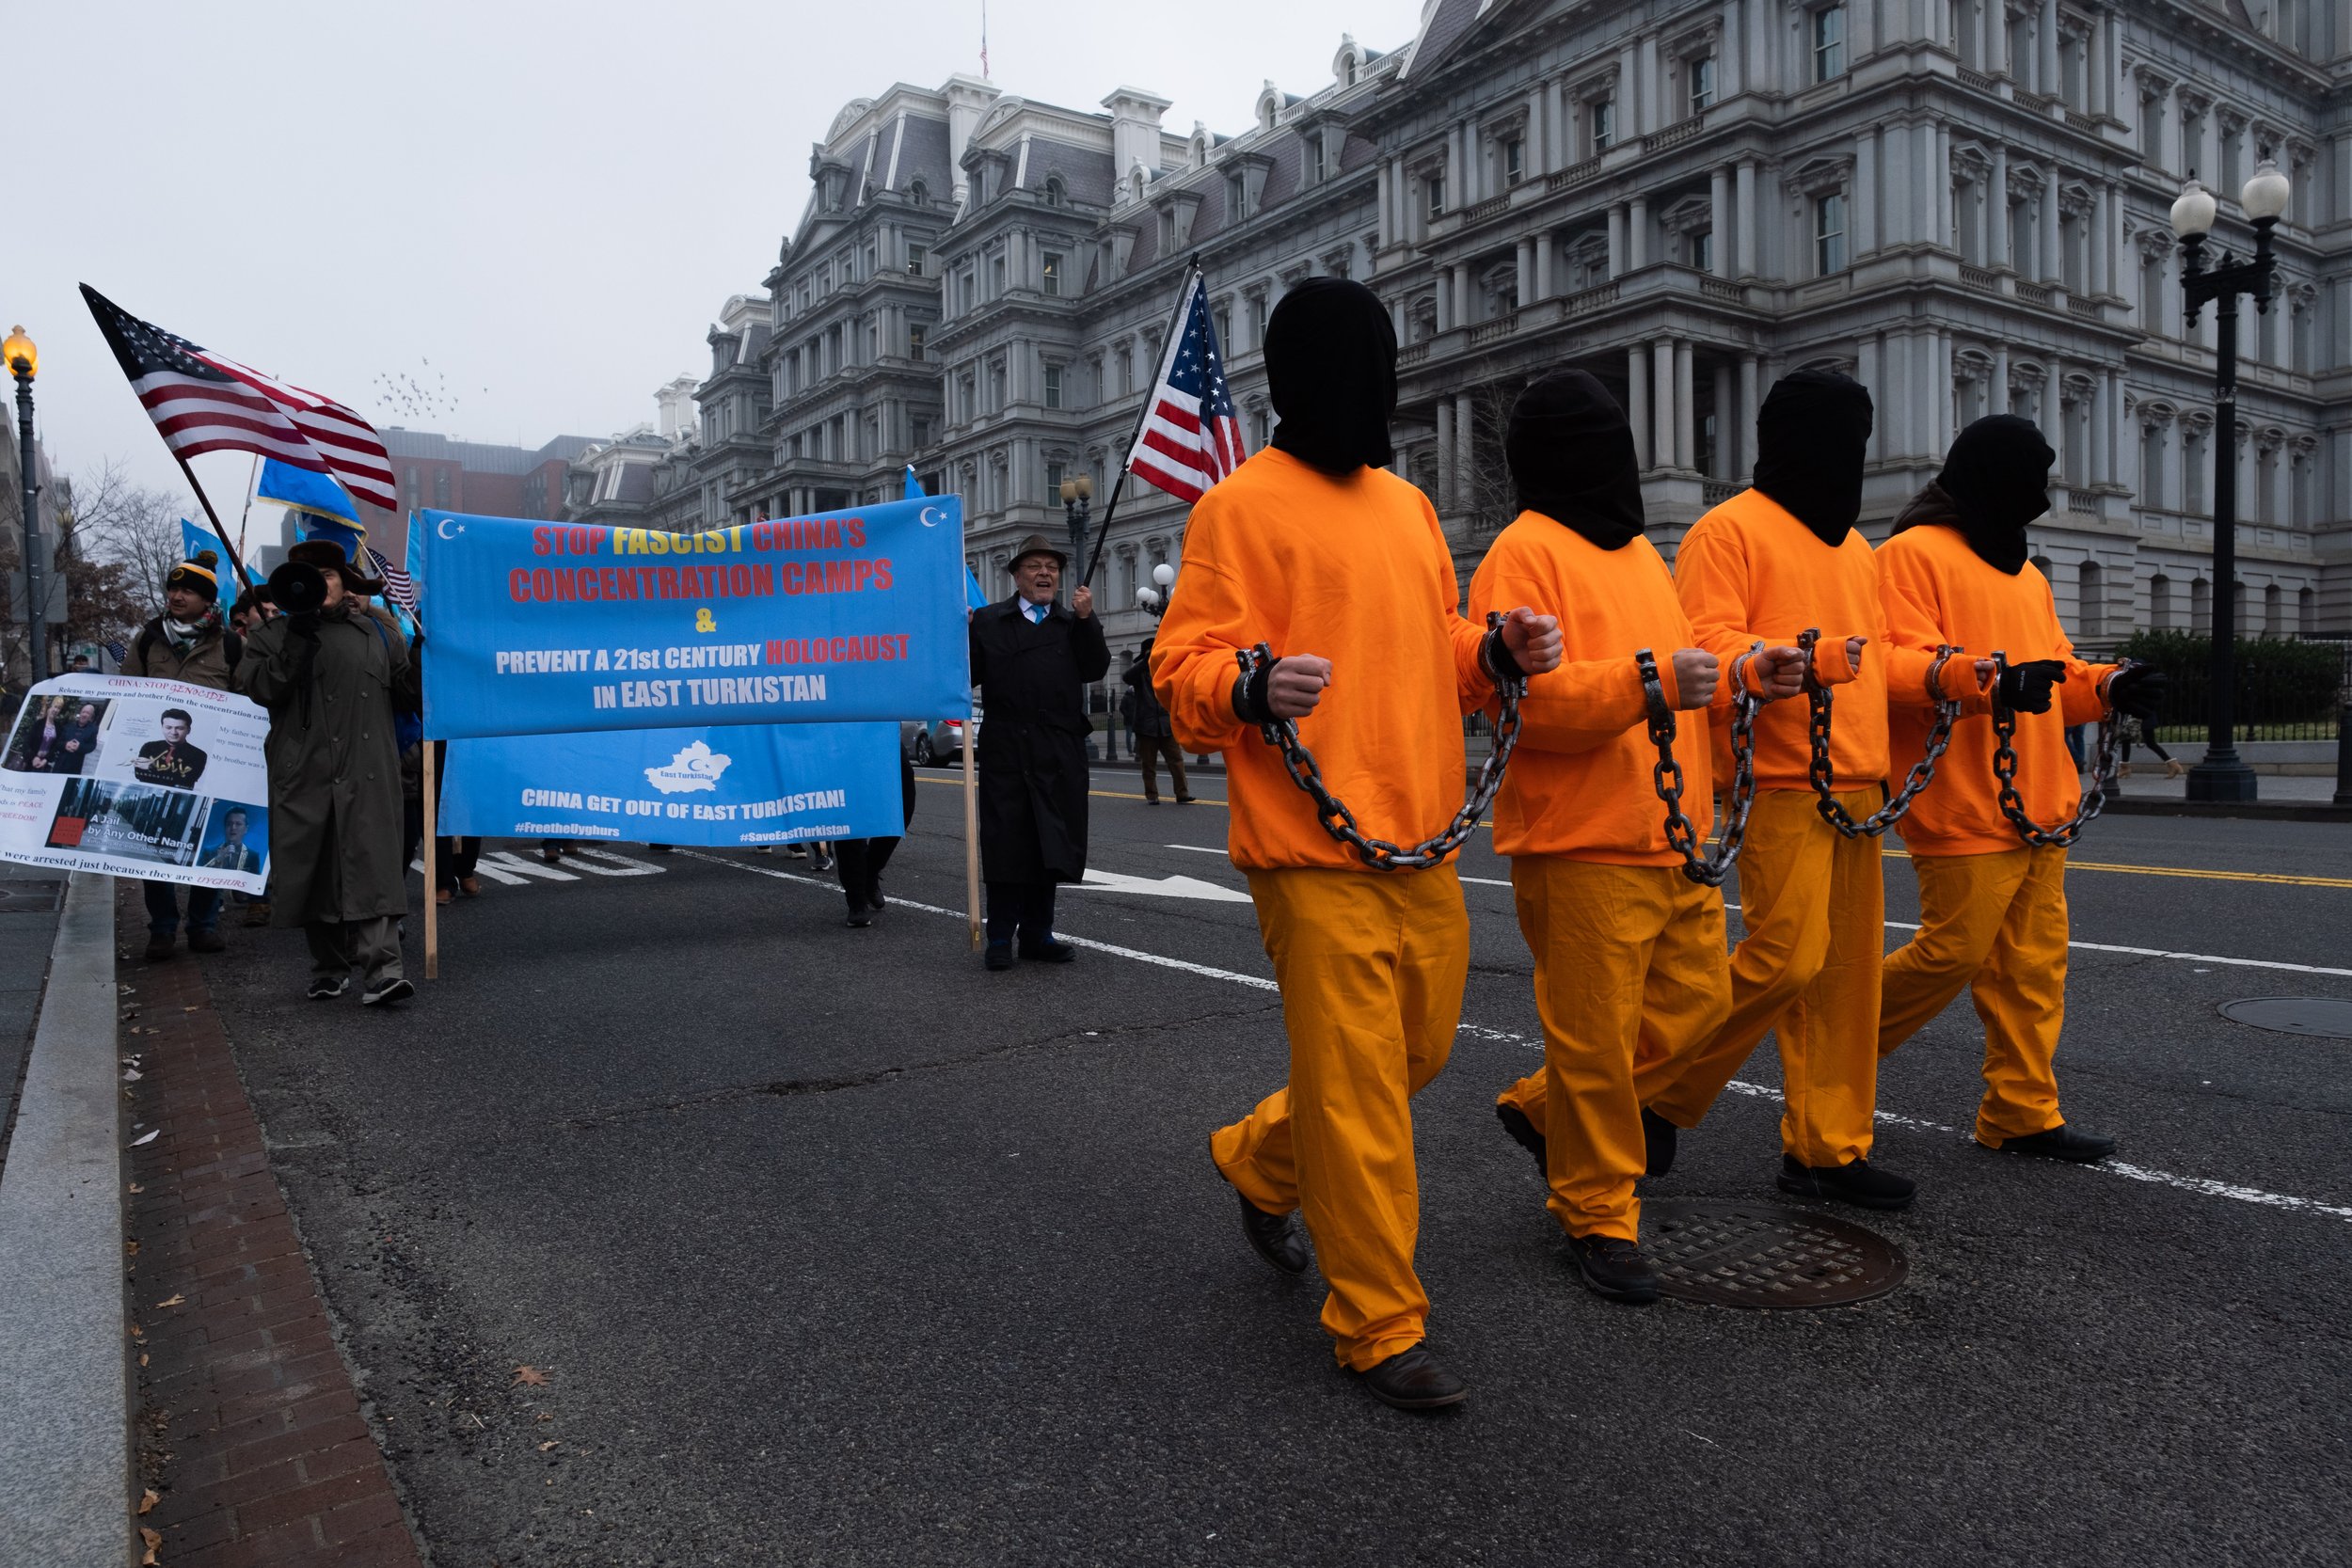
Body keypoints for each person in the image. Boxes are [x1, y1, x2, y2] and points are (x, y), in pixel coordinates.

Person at [1152, 277, 1562, 1410]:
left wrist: (1497, 649)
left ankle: (1259, 1157)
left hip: (1419, 837)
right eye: (1352, 362)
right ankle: (1378, 1322)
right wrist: (1246, 681)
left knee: (1414, 1054)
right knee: (1359, 1092)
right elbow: (1177, 667)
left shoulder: (1408, 506)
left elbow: (1435, 639)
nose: (1368, 384)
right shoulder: (1238, 509)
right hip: (1307, 842)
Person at [1470, 372, 1804, 1302]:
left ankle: (1544, 1112)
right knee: (1593, 1041)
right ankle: (1595, 1210)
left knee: (1696, 1011)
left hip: (1671, 836)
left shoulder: (1640, 556)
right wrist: (1646, 681)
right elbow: (1523, 703)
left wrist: (1745, 675)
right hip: (1580, 843)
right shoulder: (1520, 551)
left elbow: (1685, 673)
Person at [1639, 370, 1949, 1212]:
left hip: (1857, 777)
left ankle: (1827, 1147)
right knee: (1785, 959)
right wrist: (1772, 664)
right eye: (1833, 433)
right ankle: (1644, 1092)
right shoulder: (1726, 530)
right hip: (1777, 777)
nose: (1846, 453)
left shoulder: (1856, 548)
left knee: (1849, 979)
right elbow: (1703, 639)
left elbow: (1884, 657)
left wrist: (1954, 678)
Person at [1875, 415, 2166, 1164]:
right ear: (1999, 477)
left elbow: (2057, 676)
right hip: (1963, 799)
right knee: (1955, 954)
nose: (2044, 491)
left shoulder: (2028, 575)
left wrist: (2110, 684)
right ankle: (1831, 1037)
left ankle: (2022, 1112)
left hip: (2039, 804)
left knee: (2032, 971)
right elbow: (1898, 668)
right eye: (2034, 475)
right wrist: (1988, 680)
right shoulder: (1910, 555)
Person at [236, 531, 420, 1006]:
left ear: (344, 582)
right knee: (314, 868)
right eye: (309, 576)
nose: (320, 583)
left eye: (328, 574)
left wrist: (422, 654)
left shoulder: (377, 632)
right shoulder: (269, 636)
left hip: (369, 770)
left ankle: (383, 971)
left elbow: (410, 695)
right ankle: (329, 967)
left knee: (375, 865)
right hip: (304, 771)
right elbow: (263, 689)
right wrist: (295, 641)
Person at [968, 533, 1109, 970]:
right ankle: (998, 937)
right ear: (1016, 576)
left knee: (1050, 842)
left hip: (1057, 749)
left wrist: (1088, 621)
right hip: (1007, 748)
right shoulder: (989, 620)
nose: (1045, 573)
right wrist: (957, 632)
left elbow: (1095, 667)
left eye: (1052, 567)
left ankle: (1037, 934)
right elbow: (966, 675)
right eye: (1034, 566)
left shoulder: (1072, 622)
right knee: (1006, 841)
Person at [124, 549, 241, 958]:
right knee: (155, 846)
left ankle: (203, 925)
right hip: (156, 770)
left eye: (189, 591)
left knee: (208, 844)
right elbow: (128, 694)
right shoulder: (148, 638)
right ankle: (162, 928)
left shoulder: (229, 643)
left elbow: (246, 700)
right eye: (174, 588)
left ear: (208, 600)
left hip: (210, 766)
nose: (178, 596)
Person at [835, 752, 918, 927]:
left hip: (883, 731)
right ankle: (857, 899)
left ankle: (870, 871)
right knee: (850, 809)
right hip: (844, 733)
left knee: (903, 802)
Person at [1124, 636, 1194, 804]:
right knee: (1148, 765)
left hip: (1165, 725)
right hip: (1146, 726)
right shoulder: (1139, 674)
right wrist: (1144, 663)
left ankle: (1182, 793)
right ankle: (1152, 795)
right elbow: (1126, 677)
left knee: (1176, 761)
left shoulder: (1166, 670)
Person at [133, 708, 210, 789]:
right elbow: (139, 774)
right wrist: (173, 774)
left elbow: (187, 780)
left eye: (179, 728)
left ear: (188, 730)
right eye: (168, 727)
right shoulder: (148, 746)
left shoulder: (199, 755)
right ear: (162, 728)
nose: (173, 732)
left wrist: (151, 767)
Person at [202, 808, 262, 873]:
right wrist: (218, 859)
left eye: (238, 824)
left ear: (246, 829)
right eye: (229, 824)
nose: (233, 827)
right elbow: (198, 873)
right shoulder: (208, 851)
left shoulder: (253, 856)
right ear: (225, 827)